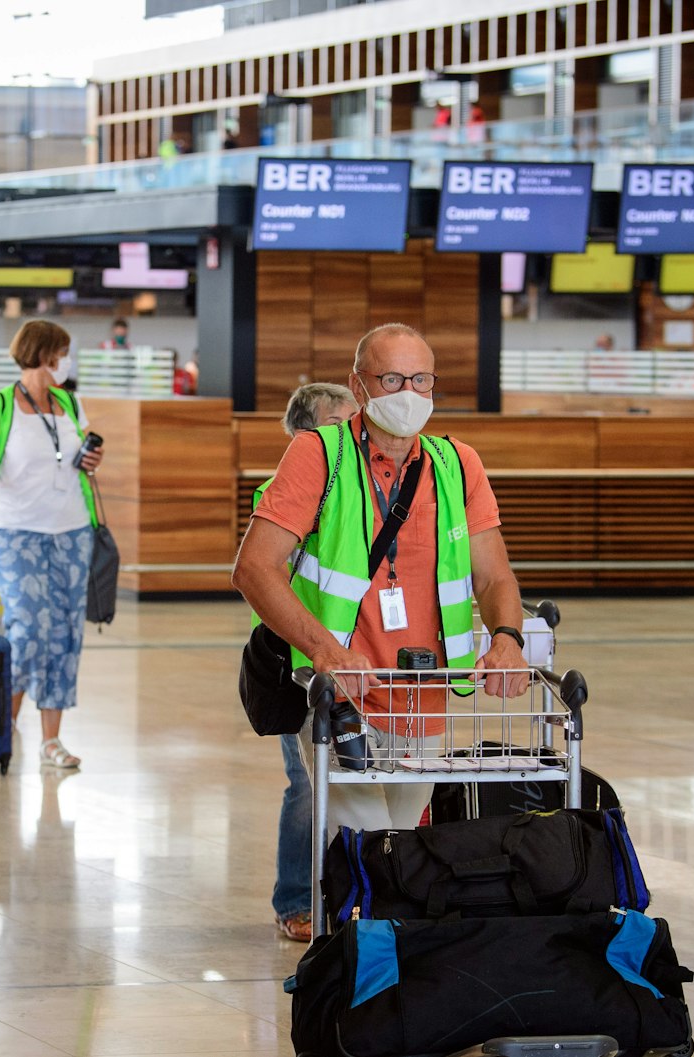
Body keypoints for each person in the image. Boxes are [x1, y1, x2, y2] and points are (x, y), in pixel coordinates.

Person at [233, 323, 531, 854]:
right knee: (366, 840)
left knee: (407, 837)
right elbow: (254, 568)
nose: (409, 394)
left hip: (423, 693)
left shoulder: (458, 465)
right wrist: (326, 651)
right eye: (392, 378)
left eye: (421, 380)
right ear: (360, 384)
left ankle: (385, 934)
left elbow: (494, 575)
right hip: (340, 693)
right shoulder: (319, 455)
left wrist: (507, 638)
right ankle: (359, 932)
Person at [0, 320, 105, 770]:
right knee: (25, 629)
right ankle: (3, 730)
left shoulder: (69, 402)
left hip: (72, 531)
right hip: (15, 529)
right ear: (44, 354)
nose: (68, 360)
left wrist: (91, 460)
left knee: (64, 633)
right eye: (63, 352)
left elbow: (78, 462)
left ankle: (51, 739)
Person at [256, 383, 360, 943]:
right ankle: (295, 899)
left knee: (360, 784)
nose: (352, 436)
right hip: (302, 663)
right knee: (306, 782)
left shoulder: (367, 491)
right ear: (304, 438)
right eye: (337, 426)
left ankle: (357, 894)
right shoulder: (281, 494)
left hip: (360, 663)